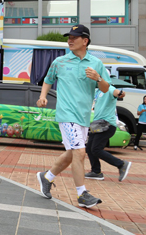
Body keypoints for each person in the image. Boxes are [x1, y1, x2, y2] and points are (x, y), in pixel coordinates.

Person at [36, 25, 111, 209]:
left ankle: (47, 177)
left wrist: (98, 78)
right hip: (66, 114)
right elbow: (48, 79)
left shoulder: (96, 63)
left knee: (72, 154)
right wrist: (43, 96)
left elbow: (106, 89)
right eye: (69, 37)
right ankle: (82, 194)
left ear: (85, 41)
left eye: (75, 37)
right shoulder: (60, 62)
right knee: (80, 152)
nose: (70, 40)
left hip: (83, 116)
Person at [85, 84, 132, 182]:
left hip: (107, 124)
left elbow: (117, 93)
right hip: (97, 124)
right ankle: (96, 172)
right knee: (89, 148)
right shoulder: (98, 91)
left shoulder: (109, 88)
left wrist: (121, 93)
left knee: (96, 149)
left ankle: (121, 164)